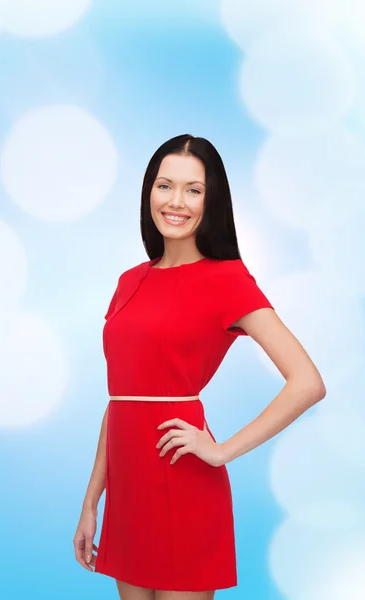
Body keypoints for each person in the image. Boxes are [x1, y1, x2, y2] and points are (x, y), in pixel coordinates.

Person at [72, 134, 326, 600]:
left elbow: (307, 383)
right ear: (149, 191)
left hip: (183, 478)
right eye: (165, 185)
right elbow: (122, 400)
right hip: (128, 494)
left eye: (193, 190)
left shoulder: (226, 279)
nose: (176, 202)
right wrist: (92, 503)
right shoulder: (130, 280)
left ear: (212, 202)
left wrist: (222, 450)